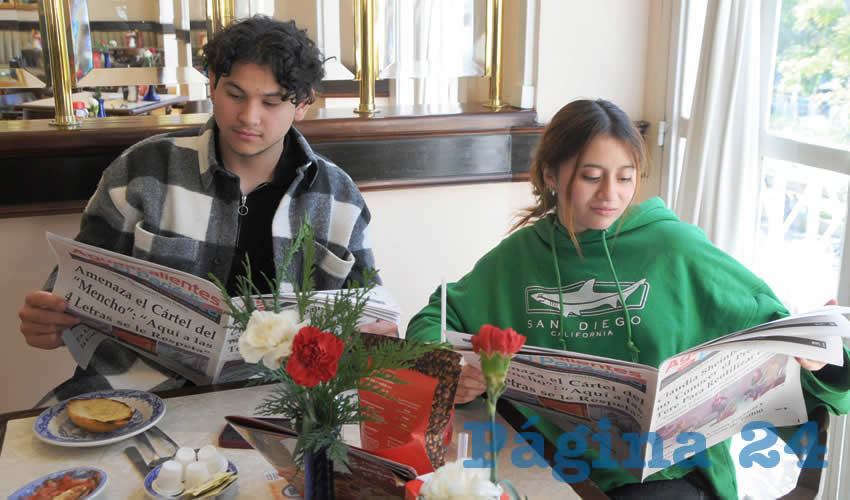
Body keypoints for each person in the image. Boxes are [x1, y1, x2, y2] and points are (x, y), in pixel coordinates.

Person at [406, 99, 850, 499]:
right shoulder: (519, 257)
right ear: (551, 176)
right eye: (591, 177)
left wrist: (821, 356)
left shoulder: (675, 248)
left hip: (673, 476)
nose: (610, 195)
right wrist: (450, 365)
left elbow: (780, 326)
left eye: (625, 177)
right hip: (559, 466)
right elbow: (437, 314)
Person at [19, 15, 395, 403]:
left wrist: (375, 337)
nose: (249, 117)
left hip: (282, 401)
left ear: (302, 104)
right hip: (135, 390)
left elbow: (366, 314)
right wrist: (50, 319)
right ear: (212, 83)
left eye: (271, 101)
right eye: (235, 94)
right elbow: (76, 287)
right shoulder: (145, 170)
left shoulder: (338, 197)